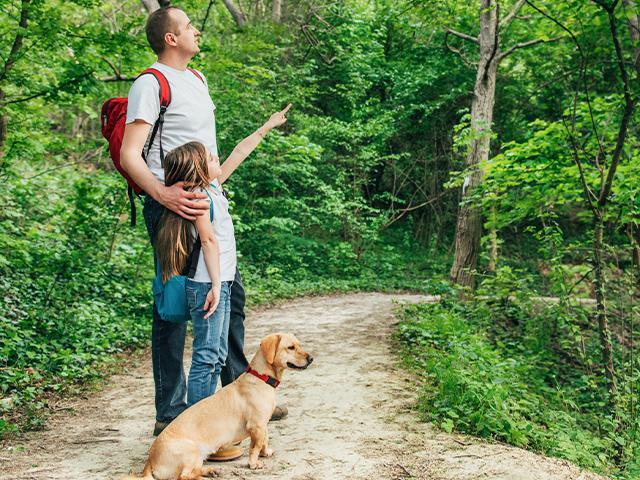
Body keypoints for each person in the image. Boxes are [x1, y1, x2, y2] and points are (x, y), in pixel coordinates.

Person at [119, 6, 287, 455]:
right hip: (173, 206)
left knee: (229, 295)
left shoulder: (197, 80)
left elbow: (212, 151)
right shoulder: (149, 84)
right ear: (171, 38)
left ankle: (240, 399)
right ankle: (172, 413)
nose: (197, 29)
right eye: (189, 25)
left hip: (206, 198)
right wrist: (165, 196)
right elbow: (129, 154)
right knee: (174, 310)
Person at [156, 106, 289, 408]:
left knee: (216, 354)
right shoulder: (199, 198)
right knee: (207, 357)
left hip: (220, 283)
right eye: (211, 157)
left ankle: (204, 424)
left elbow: (240, 153)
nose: (217, 158)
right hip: (208, 285)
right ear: (200, 170)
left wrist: (266, 126)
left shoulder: (212, 188)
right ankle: (196, 427)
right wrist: (217, 285)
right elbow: (208, 241)